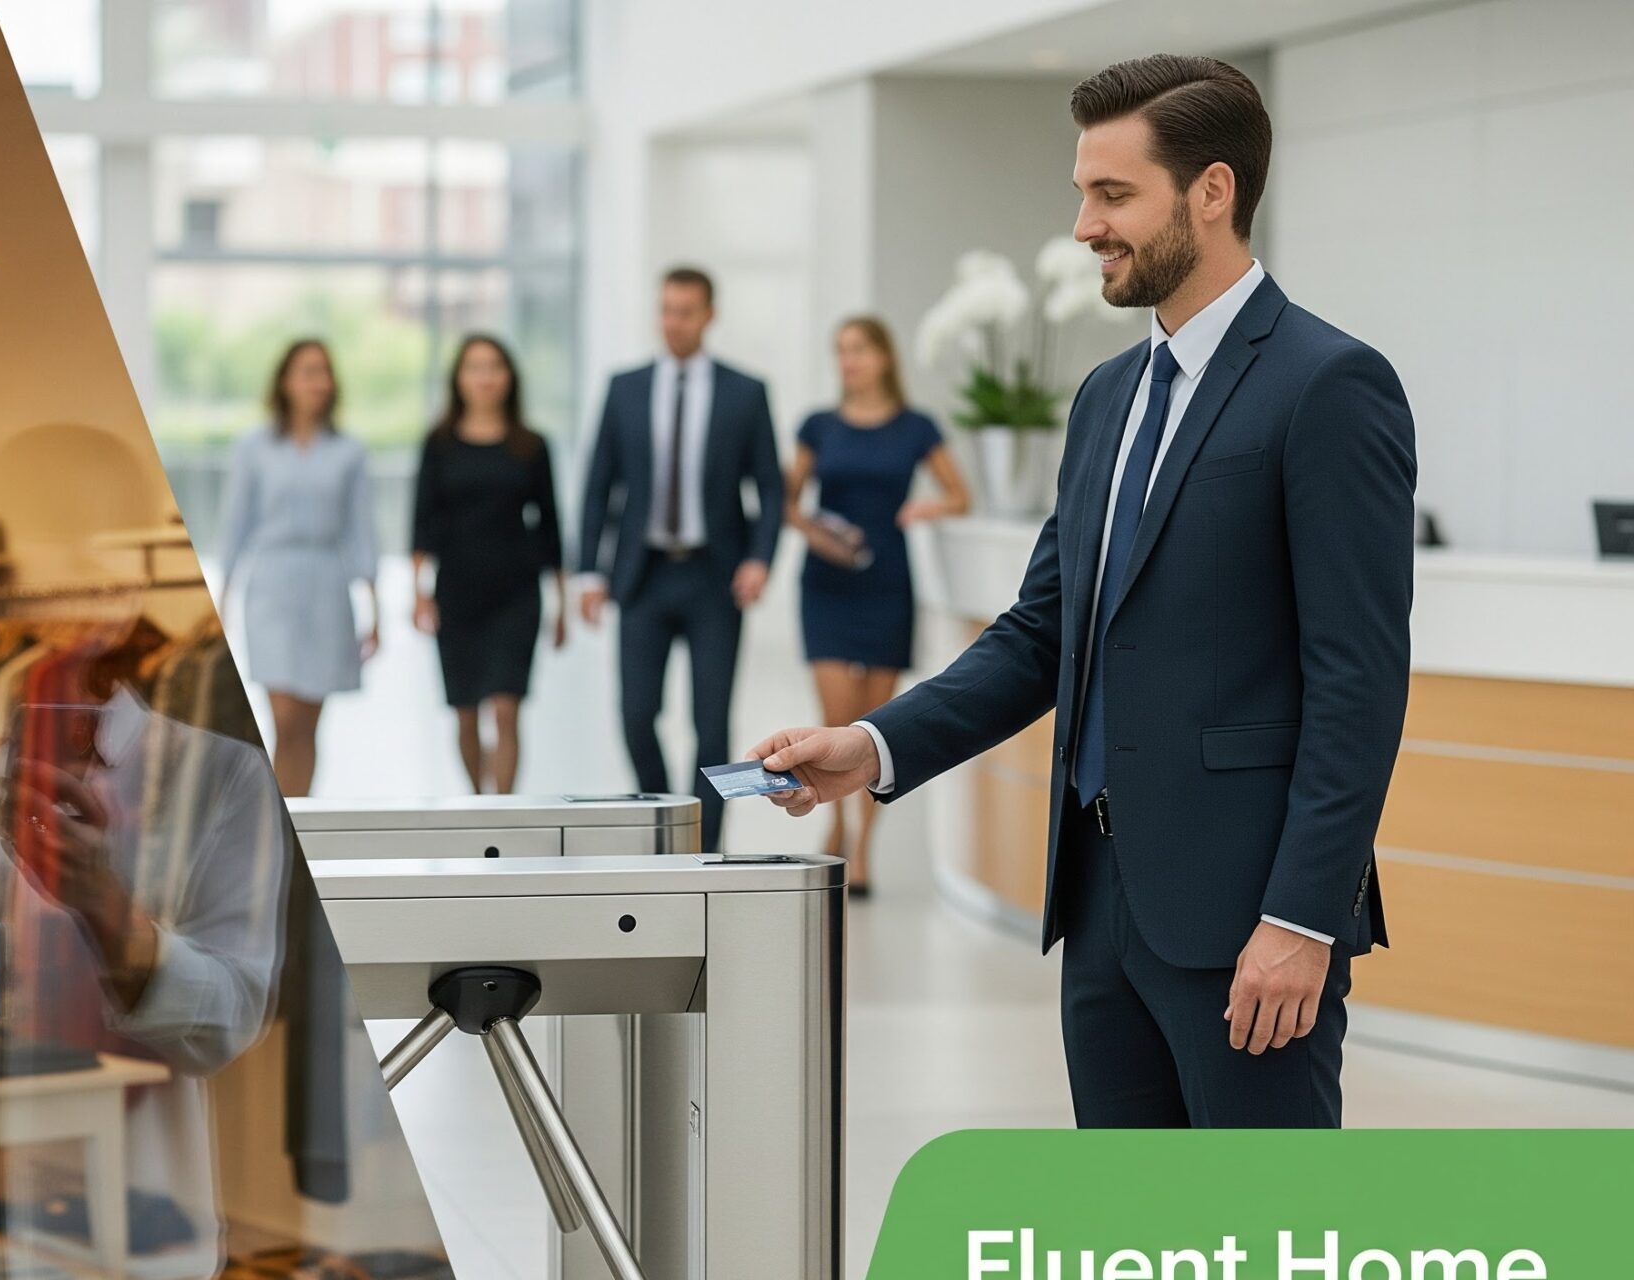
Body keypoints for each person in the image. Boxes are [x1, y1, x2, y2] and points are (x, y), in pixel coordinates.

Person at [753, 56, 1415, 1129]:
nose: (1083, 226)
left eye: (1112, 194)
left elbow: (1359, 682)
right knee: (1126, 1227)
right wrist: (872, 746)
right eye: (1082, 193)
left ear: (1211, 191)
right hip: (1099, 909)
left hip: (1250, 920)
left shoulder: (1328, 385)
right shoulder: (1107, 398)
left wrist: (1302, 917)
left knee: (1268, 1232)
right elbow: (1040, 635)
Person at [576, 267, 785, 850]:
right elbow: (598, 485)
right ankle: (663, 829)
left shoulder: (746, 392)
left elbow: (771, 487)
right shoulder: (625, 388)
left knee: (713, 725)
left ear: (709, 316)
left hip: (715, 578)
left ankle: (708, 846)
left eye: (686, 311)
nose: (673, 322)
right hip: (641, 576)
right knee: (635, 715)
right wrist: (589, 570)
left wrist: (760, 559)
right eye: (666, 309)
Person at [788, 317, 970, 895]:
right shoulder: (818, 425)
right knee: (835, 715)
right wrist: (815, 533)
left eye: (859, 350)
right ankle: (836, 824)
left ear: (884, 357)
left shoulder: (917, 427)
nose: (849, 361)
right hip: (826, 583)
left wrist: (926, 508)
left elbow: (960, 495)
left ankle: (864, 845)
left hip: (887, 582)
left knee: (873, 728)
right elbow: (786, 502)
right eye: (840, 351)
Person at [215, 338, 380, 798]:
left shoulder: (349, 451)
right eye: (307, 371)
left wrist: (374, 605)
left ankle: (297, 814)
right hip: (272, 583)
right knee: (284, 719)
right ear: (285, 381)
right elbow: (234, 525)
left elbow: (361, 529)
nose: (317, 382)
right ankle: (275, 816)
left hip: (326, 584)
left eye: (324, 372)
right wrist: (223, 596)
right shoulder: (253, 447)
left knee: (307, 725)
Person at [411, 333, 566, 793]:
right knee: (465, 711)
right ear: (458, 379)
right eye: (474, 367)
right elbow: (422, 520)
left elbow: (551, 524)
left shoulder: (531, 445)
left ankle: (504, 808)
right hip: (457, 590)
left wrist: (561, 601)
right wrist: (418, 592)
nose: (485, 377)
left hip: (516, 591)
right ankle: (477, 801)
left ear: (509, 378)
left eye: (494, 367)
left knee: (505, 707)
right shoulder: (438, 444)